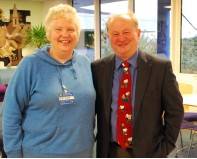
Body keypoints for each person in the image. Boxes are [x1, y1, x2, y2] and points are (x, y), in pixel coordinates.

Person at [3, 4, 95, 157]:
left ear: (78, 34)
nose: (65, 34)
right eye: (58, 29)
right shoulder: (30, 65)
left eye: (71, 29)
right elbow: (10, 114)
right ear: (48, 33)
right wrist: (13, 154)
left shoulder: (85, 64)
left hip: (82, 153)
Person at [91, 13, 184, 157]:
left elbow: (175, 111)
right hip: (109, 152)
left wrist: (166, 146)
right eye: (115, 33)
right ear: (108, 37)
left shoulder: (160, 68)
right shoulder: (98, 69)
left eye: (126, 32)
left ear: (138, 33)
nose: (121, 38)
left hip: (150, 153)